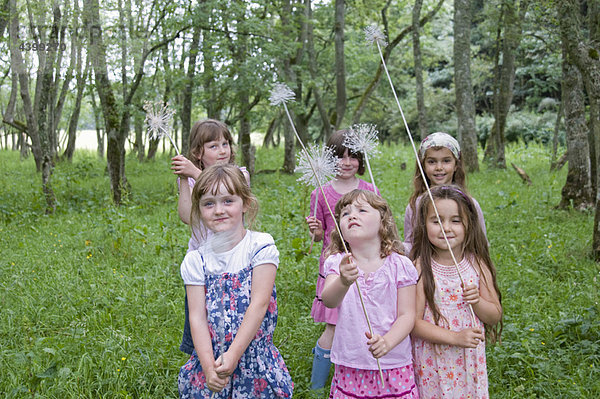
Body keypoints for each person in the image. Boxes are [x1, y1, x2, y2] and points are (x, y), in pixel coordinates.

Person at [178, 164, 293, 398]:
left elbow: (259, 304)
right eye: (209, 203)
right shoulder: (196, 260)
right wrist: (209, 367)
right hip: (210, 361)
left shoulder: (259, 247)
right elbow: (197, 317)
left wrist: (232, 356)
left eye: (228, 201)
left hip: (254, 361)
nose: (219, 210)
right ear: (198, 210)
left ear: (245, 204)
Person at [320, 190, 419, 398]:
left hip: (393, 363)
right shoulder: (338, 263)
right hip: (351, 363)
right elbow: (329, 300)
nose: (352, 216)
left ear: (383, 221)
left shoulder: (400, 265)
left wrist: (387, 342)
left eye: (362, 210)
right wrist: (343, 281)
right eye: (345, 214)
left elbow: (407, 315)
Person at [410, 185, 502, 398]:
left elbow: (495, 315)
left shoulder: (477, 265)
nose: (446, 228)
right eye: (436, 221)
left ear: (469, 224)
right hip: (432, 360)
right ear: (424, 225)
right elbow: (413, 323)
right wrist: (454, 337)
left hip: (468, 360)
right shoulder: (420, 267)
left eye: (455, 220)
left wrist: (477, 302)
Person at [305, 130, 379, 390]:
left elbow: (380, 228)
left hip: (366, 265)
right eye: (340, 157)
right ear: (328, 159)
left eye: (353, 157)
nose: (347, 163)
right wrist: (315, 231)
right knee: (333, 327)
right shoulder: (320, 193)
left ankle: (358, 375)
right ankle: (316, 386)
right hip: (336, 269)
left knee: (364, 322)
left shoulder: (370, 190)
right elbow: (320, 237)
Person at [171, 119, 250, 356]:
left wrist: (195, 172)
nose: (223, 150)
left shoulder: (239, 174)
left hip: (234, 258)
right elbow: (187, 216)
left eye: (225, 143)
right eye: (214, 146)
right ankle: (202, 358)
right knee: (201, 314)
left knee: (233, 314)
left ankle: (235, 352)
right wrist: (185, 178)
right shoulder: (190, 178)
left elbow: (224, 187)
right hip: (203, 262)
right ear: (198, 152)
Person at [403, 132, 486, 255]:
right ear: (423, 166)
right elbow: (411, 244)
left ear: (456, 165)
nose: (439, 167)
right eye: (432, 162)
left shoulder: (469, 204)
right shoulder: (415, 205)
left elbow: (480, 244)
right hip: (426, 269)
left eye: (446, 161)